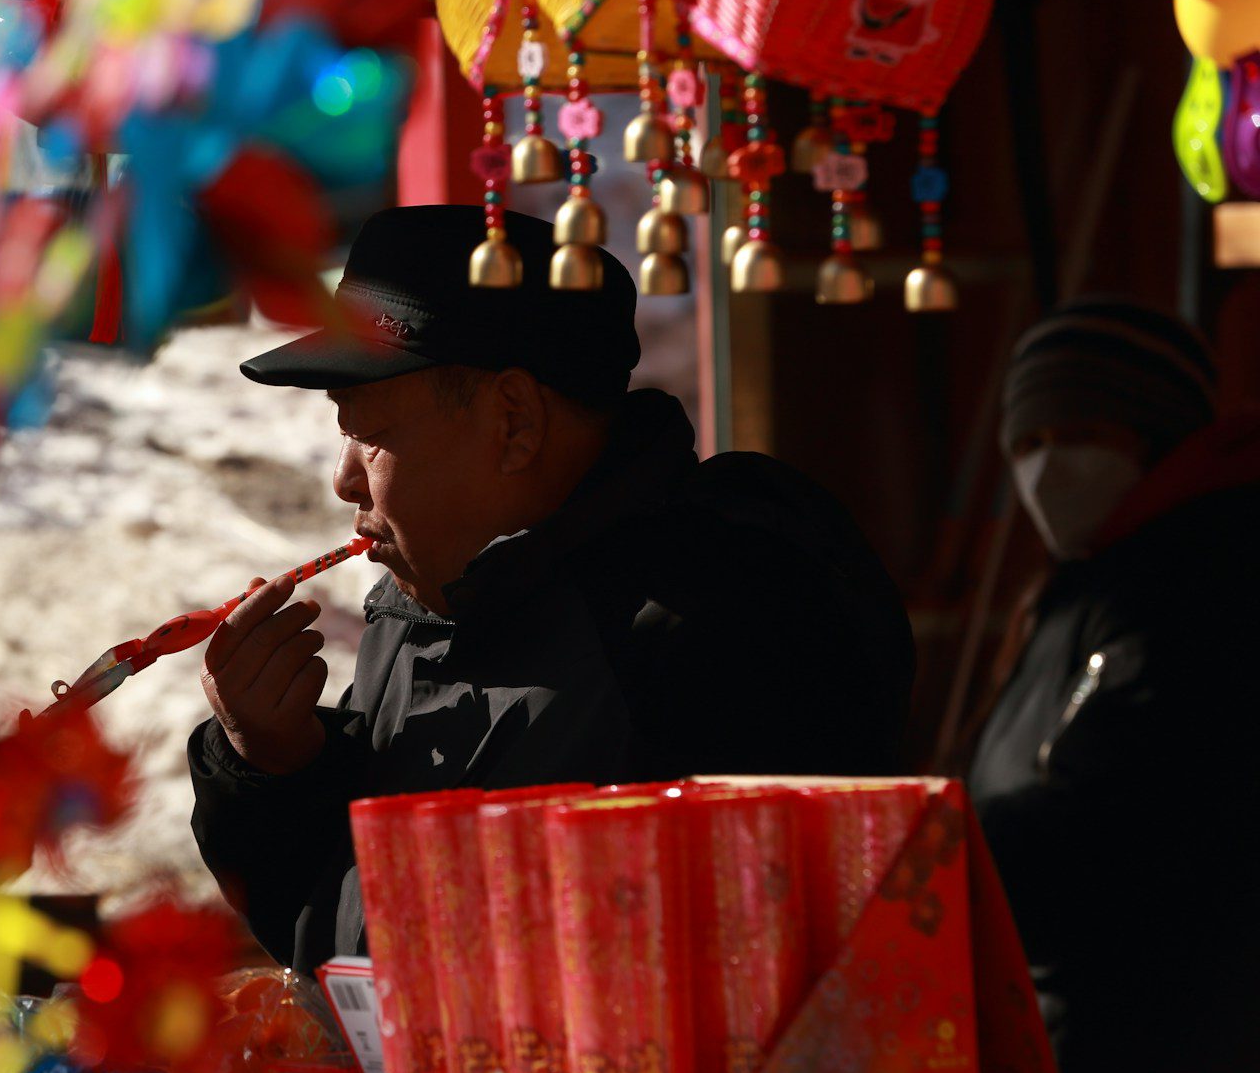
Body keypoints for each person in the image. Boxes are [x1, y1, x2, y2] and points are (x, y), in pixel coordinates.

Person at [188, 204, 914, 973]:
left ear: (513, 422)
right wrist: (271, 767)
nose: (344, 480)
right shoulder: (426, 607)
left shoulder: (728, 616)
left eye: (369, 432)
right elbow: (350, 959)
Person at [966, 299, 1260, 1073]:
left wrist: (939, 842)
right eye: (1028, 445)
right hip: (1100, 1054)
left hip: (1168, 1062)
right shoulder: (1087, 584)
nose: (1048, 468)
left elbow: (1127, 823)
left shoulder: (1202, 587)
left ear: (1160, 436)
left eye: (1083, 436)